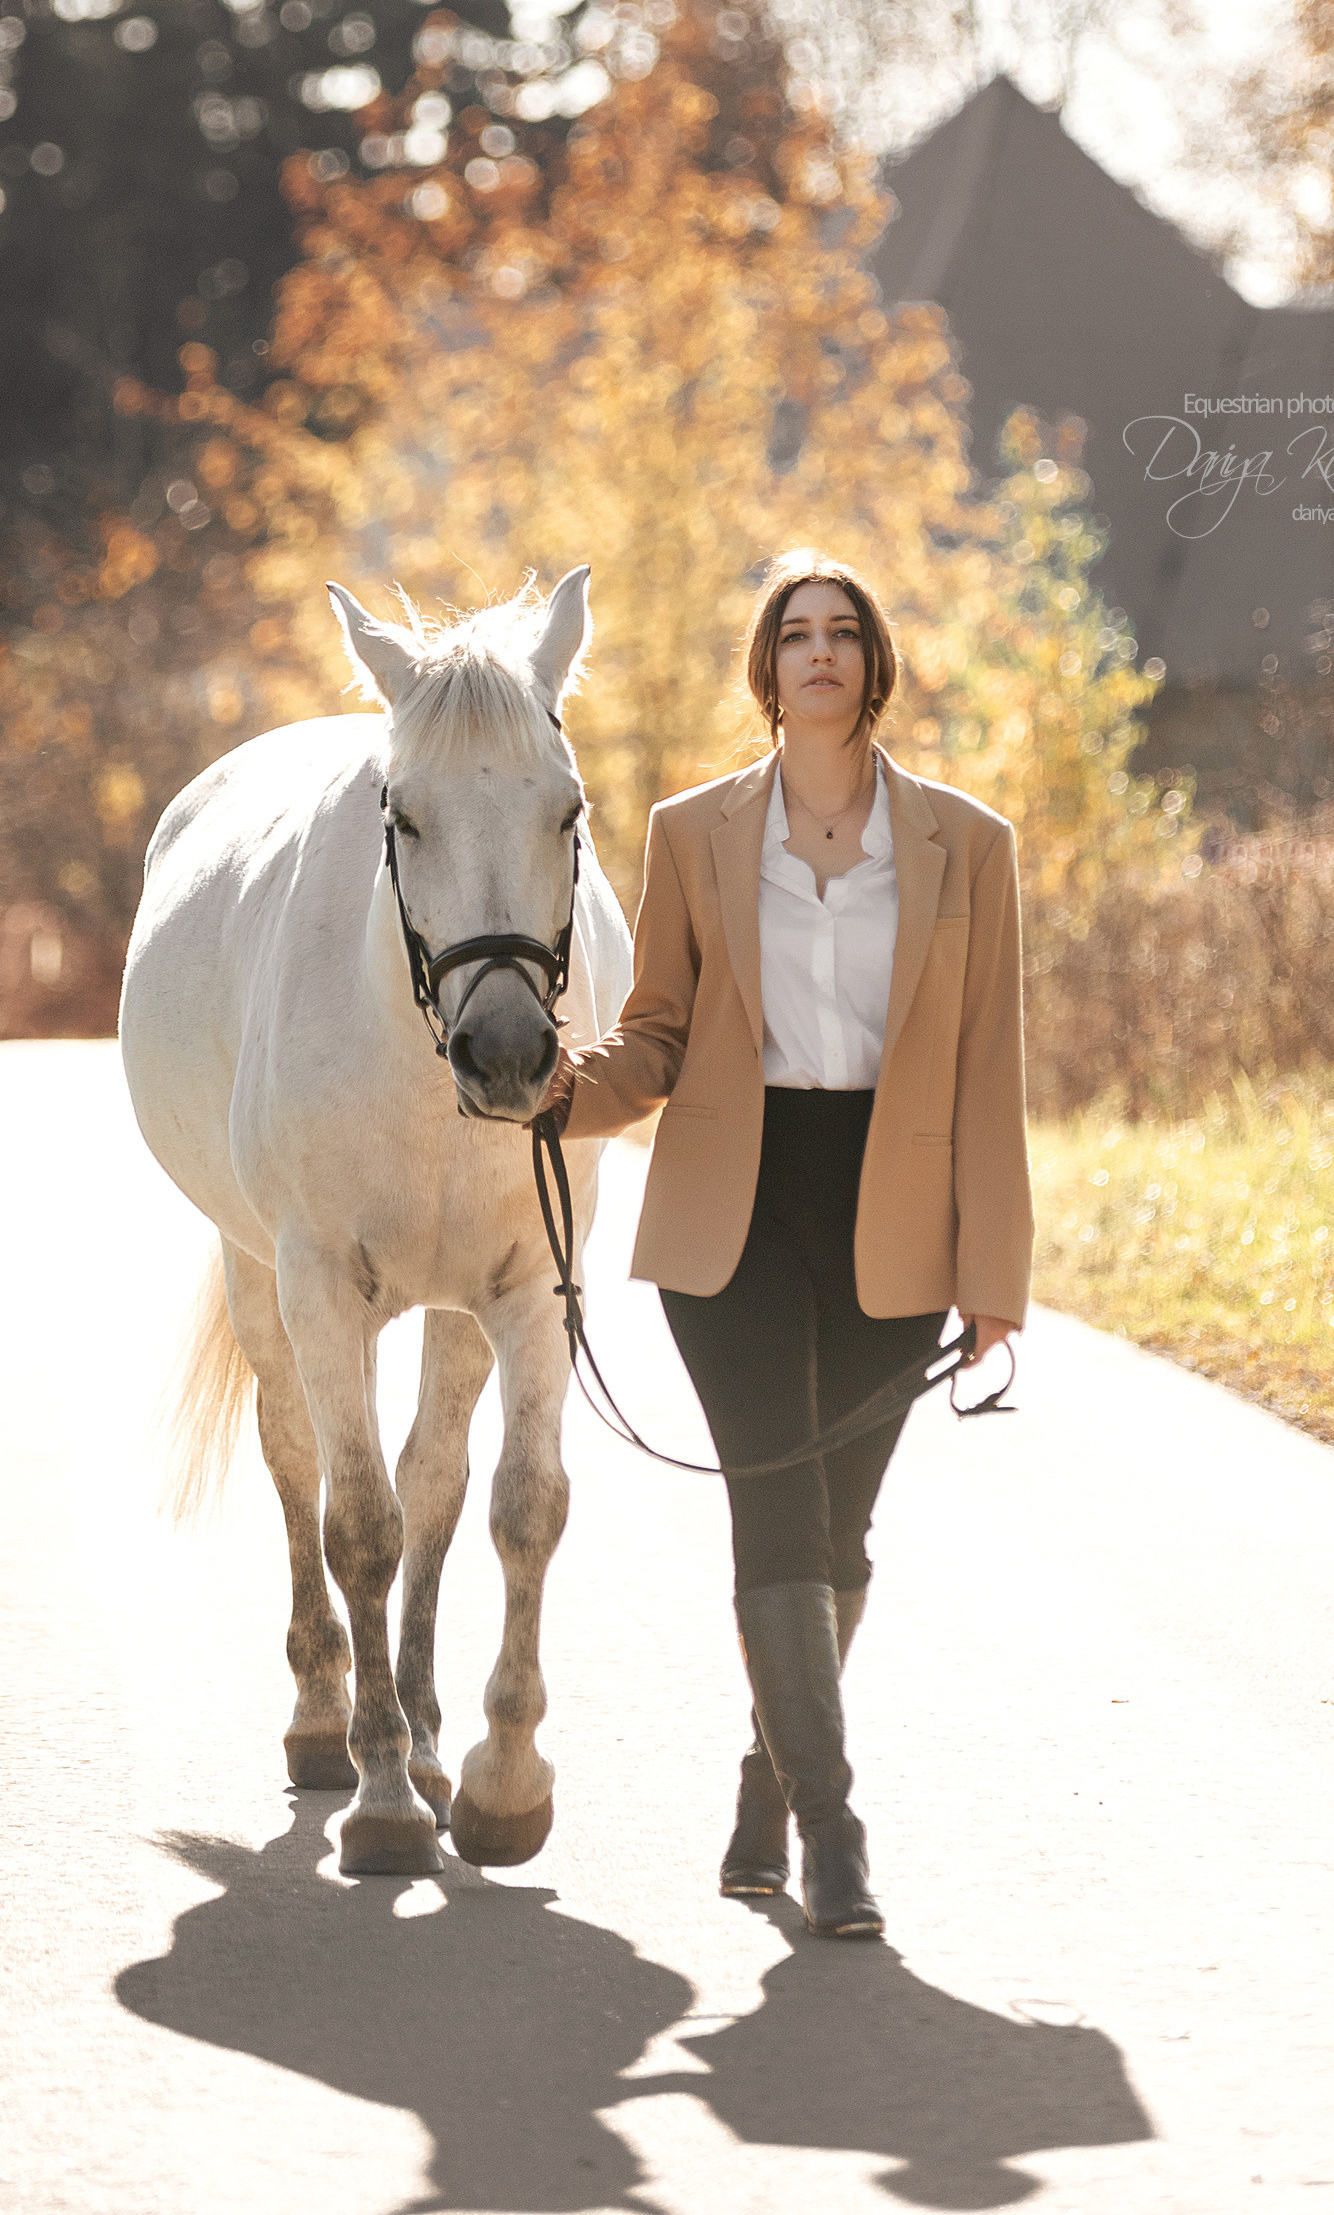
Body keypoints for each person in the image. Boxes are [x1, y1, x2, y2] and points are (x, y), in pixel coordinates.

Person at [548, 552, 1032, 1937]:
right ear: (763, 673)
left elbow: (988, 1069)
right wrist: (560, 1095)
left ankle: (767, 1786)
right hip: (733, 1217)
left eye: (842, 633)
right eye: (793, 634)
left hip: (893, 1213)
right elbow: (653, 1034)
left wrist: (992, 1274)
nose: (817, 652)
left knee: (841, 1533)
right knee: (773, 1509)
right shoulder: (693, 832)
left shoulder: (968, 844)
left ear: (874, 666)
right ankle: (834, 1836)